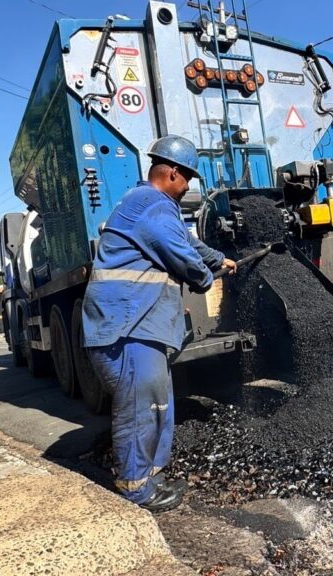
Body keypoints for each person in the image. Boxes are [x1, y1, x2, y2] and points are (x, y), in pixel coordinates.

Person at [81, 135, 236, 513]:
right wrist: (205, 276)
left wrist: (221, 259)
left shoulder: (151, 207)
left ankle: (151, 474)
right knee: (140, 407)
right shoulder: (153, 205)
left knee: (158, 405)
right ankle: (135, 489)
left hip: (141, 326)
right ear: (171, 173)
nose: (188, 189)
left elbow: (189, 243)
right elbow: (183, 256)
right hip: (127, 328)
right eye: (188, 181)